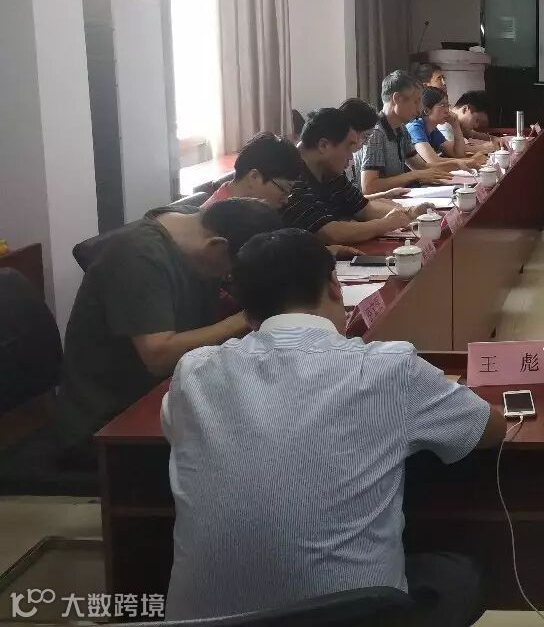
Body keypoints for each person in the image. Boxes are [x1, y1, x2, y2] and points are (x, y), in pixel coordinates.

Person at [163, 228, 506, 621]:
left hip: (204, 621)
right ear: (334, 285)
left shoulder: (193, 373)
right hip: (349, 616)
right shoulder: (387, 369)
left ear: (245, 309)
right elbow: (488, 429)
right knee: (459, 576)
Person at [52, 199, 283, 462]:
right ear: (217, 246)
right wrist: (245, 318)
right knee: (262, 448)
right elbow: (158, 357)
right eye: (230, 273)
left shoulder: (195, 226)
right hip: (111, 424)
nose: (227, 280)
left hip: (166, 395)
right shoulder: (138, 256)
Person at [283, 108, 426, 245]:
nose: (351, 157)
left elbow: (364, 209)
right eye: (348, 147)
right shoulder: (290, 176)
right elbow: (330, 233)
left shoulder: (330, 172)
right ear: (323, 145)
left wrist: (409, 213)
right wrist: (385, 224)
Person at [359, 70, 449, 195]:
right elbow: (369, 187)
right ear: (397, 99)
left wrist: (460, 164)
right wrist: (414, 175)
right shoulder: (376, 133)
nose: (419, 109)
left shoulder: (401, 128)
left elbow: (420, 167)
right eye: (416, 102)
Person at [202, 133, 302, 210]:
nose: (286, 201)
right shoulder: (217, 222)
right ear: (254, 176)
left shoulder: (249, 208)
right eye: (283, 190)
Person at [408, 88, 485, 170]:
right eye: (442, 105)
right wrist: (470, 161)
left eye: (448, 105)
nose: (447, 111)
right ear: (427, 111)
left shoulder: (433, 130)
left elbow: (458, 154)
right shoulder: (414, 127)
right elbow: (433, 161)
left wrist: (455, 125)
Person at [438, 91, 504, 158]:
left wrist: (493, 138)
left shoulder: (460, 125)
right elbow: (453, 151)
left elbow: (473, 134)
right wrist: (482, 148)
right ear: (465, 109)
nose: (476, 126)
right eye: (477, 120)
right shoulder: (446, 122)